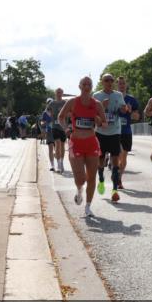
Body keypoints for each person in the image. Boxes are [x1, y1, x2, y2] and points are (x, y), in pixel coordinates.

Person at [57, 76, 106, 217]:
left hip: (91, 142)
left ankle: (88, 206)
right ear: (79, 86)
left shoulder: (97, 104)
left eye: (89, 84)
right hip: (76, 143)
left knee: (92, 177)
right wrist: (66, 128)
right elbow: (60, 117)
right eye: (84, 84)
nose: (87, 86)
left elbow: (104, 123)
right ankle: (79, 190)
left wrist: (99, 121)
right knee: (80, 179)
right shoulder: (72, 102)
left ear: (92, 86)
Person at [93, 73, 128, 202]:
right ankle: (101, 179)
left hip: (115, 132)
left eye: (111, 80)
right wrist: (102, 106)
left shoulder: (118, 95)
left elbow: (123, 111)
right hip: (101, 133)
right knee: (100, 160)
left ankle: (114, 190)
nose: (109, 82)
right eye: (107, 80)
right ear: (102, 82)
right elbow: (92, 113)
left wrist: (124, 109)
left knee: (115, 161)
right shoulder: (96, 96)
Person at [116, 76, 140, 188]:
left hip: (126, 131)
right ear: (117, 85)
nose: (121, 85)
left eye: (123, 83)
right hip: (115, 132)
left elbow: (137, 117)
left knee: (124, 159)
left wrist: (130, 112)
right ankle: (116, 177)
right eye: (120, 83)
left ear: (126, 85)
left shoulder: (132, 100)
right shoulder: (113, 98)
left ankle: (119, 178)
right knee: (119, 155)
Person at [47, 88, 67, 173]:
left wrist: (64, 115)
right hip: (55, 126)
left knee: (62, 146)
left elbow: (69, 112)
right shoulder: (52, 103)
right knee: (57, 144)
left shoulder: (65, 103)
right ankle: (58, 165)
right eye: (57, 92)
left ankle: (61, 162)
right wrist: (52, 117)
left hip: (63, 126)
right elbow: (48, 112)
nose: (59, 94)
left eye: (60, 92)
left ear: (62, 93)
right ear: (55, 93)